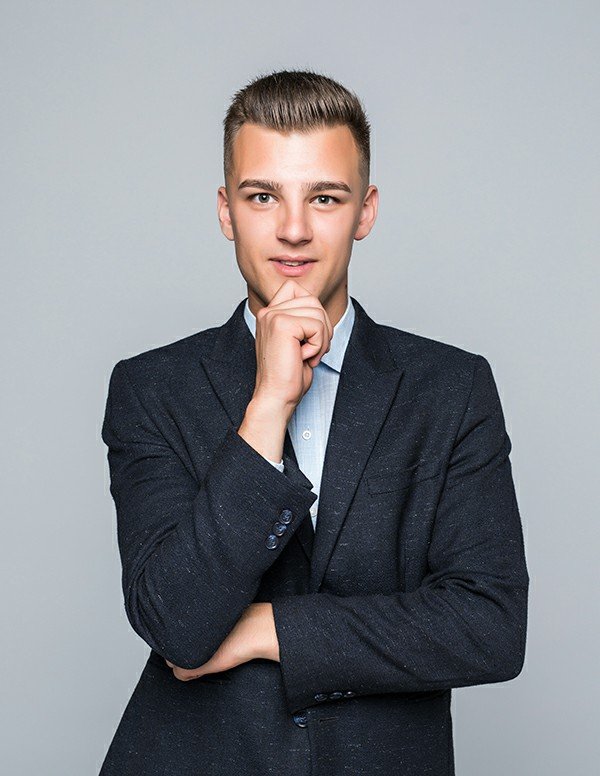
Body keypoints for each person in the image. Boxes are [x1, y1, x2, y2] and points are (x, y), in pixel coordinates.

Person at [99, 69, 529, 776]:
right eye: (262, 196)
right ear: (226, 212)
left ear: (365, 211)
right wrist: (268, 403)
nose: (294, 230)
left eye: (324, 197)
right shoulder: (151, 389)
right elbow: (175, 622)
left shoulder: (451, 389)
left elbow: (490, 626)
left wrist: (270, 629)